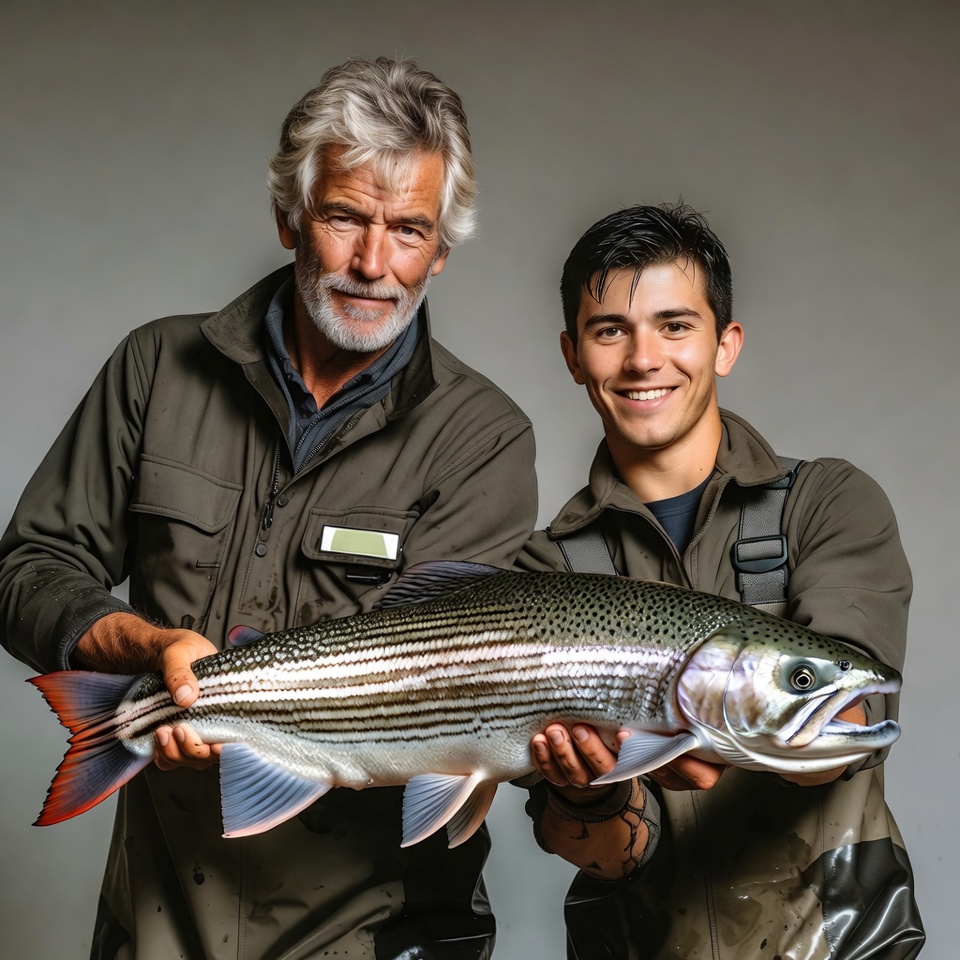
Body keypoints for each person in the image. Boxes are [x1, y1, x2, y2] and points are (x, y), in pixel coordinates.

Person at [0, 57, 538, 960]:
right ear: (289, 216)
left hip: (376, 937)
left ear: (441, 252)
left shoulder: (482, 437)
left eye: (409, 231)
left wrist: (238, 713)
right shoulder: (155, 370)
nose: (374, 264)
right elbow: (27, 569)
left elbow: (446, 693)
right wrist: (147, 654)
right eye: (344, 218)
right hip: (157, 924)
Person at [518, 203, 924, 958]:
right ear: (574, 356)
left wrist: (728, 718)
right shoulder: (542, 573)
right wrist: (589, 791)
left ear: (725, 343)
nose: (644, 359)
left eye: (676, 325)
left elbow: (851, 725)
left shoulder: (827, 503)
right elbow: (610, 853)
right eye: (612, 330)